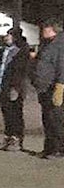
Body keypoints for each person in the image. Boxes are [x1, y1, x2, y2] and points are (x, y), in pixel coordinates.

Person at [0, 28, 30, 152]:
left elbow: (20, 72)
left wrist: (16, 88)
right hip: (2, 86)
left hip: (14, 88)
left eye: (9, 35)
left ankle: (16, 138)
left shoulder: (21, 52)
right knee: (6, 112)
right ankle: (7, 136)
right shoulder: (3, 51)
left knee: (15, 114)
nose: (6, 37)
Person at [31, 19, 64, 159]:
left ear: (53, 29)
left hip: (54, 87)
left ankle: (58, 149)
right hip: (44, 88)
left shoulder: (59, 45)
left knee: (55, 119)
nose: (42, 31)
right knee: (47, 119)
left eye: (45, 29)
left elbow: (61, 66)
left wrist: (60, 85)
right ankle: (49, 148)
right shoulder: (47, 44)